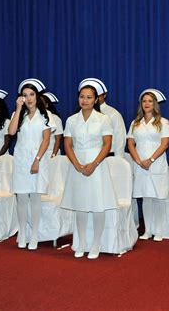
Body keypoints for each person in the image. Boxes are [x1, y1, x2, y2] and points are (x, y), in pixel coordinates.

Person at [60, 80, 117, 259]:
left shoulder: (103, 119)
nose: (84, 100)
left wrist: (94, 163)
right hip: (77, 164)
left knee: (97, 204)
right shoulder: (71, 120)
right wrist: (76, 164)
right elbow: (67, 144)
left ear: (95, 100)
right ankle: (82, 243)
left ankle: (96, 244)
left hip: (97, 165)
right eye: (82, 97)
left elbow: (107, 144)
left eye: (89, 97)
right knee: (81, 205)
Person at [8, 79, 55, 250]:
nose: (28, 99)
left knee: (35, 198)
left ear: (37, 96)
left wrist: (37, 160)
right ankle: (22, 233)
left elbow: (46, 139)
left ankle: (34, 234)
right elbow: (11, 132)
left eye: (31, 95)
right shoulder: (18, 115)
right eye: (25, 95)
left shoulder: (46, 116)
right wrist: (18, 109)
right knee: (21, 198)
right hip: (20, 160)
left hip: (38, 159)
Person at [127, 89, 169, 242]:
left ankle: (159, 230)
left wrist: (150, 160)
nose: (146, 104)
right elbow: (131, 143)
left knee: (158, 197)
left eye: (150, 101)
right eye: (144, 101)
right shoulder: (135, 123)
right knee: (146, 197)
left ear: (155, 104)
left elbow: (165, 144)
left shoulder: (163, 122)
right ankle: (148, 230)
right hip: (140, 165)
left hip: (156, 164)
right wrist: (139, 161)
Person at [82, 78, 126, 157]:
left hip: (107, 156)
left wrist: (118, 159)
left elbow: (120, 138)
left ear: (105, 95)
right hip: (84, 155)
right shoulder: (79, 115)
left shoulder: (113, 113)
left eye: (97, 94)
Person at [40, 92, 64, 157]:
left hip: (50, 153)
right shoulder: (34, 118)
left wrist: (53, 155)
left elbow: (58, 139)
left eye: (42, 103)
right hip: (37, 153)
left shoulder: (56, 118)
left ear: (47, 105)